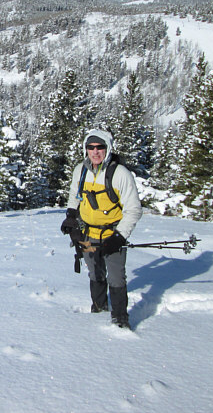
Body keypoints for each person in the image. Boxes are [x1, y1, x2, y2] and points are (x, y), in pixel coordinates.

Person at [60, 129, 142, 329]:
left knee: (115, 276)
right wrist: (71, 216)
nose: (95, 152)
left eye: (100, 147)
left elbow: (134, 210)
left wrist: (119, 237)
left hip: (111, 235)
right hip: (87, 235)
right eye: (91, 147)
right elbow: (74, 195)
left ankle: (120, 319)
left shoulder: (119, 174)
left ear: (108, 148)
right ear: (85, 149)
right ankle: (98, 309)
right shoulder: (81, 170)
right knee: (94, 273)